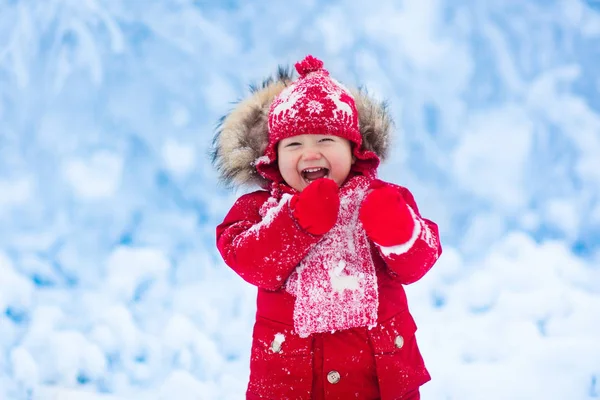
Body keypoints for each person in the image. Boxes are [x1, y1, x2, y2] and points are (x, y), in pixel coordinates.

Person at [212, 55, 442, 400]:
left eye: (326, 141)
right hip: (295, 381)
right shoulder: (263, 209)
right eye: (294, 145)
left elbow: (421, 260)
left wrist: (399, 232)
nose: (310, 153)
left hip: (378, 380)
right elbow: (248, 260)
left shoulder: (382, 199)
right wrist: (296, 222)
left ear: (354, 150)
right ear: (274, 156)